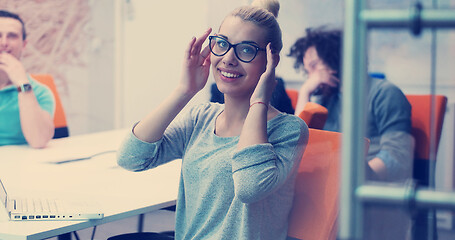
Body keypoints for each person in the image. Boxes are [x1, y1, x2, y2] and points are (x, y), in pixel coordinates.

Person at [116, 1, 309, 239]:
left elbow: (249, 188)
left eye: (246, 49)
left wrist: (259, 101)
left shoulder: (289, 129)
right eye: (222, 43)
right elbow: (131, 158)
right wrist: (184, 90)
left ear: (271, 61)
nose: (228, 58)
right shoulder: (201, 118)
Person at [289, 27, 414, 240]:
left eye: (314, 66)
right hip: (332, 190)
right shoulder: (327, 99)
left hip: (367, 190)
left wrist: (352, 177)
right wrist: (305, 92)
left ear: (336, 59)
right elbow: (295, 144)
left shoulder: (384, 93)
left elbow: (397, 158)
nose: (312, 76)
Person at [0, 10, 55, 148]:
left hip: (21, 165)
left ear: (24, 45)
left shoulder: (40, 92)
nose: (4, 42)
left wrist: (22, 83)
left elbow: (39, 141)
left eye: (12, 36)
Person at [210, 76, 294, 114]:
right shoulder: (216, 89)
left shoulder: (276, 85)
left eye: (247, 50)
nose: (228, 59)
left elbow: (288, 112)